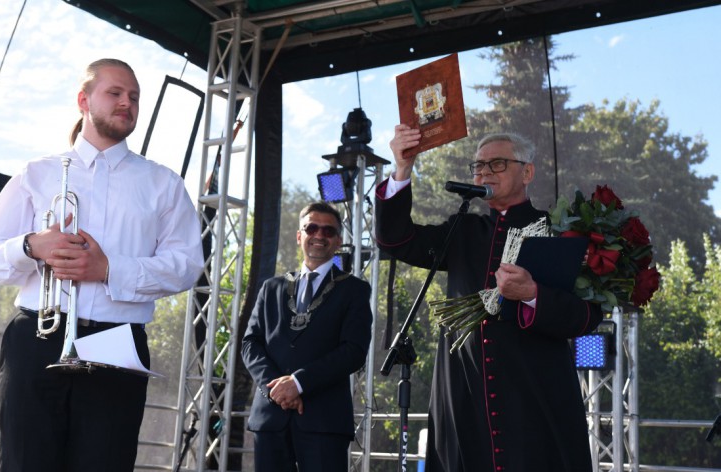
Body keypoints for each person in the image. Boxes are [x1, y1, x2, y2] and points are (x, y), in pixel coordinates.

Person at [0, 58, 203, 471]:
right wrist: (31, 246)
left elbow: (186, 265)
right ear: (84, 100)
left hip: (118, 344)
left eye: (134, 97)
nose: (127, 103)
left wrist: (108, 269)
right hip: (38, 337)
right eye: (114, 93)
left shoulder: (163, 183)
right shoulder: (36, 173)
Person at [375, 125, 602, 472]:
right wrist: (403, 168)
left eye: (496, 164)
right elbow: (395, 240)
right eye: (478, 166)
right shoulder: (463, 230)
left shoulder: (557, 230)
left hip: (534, 395)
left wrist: (533, 296)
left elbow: (587, 316)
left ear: (527, 172)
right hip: (464, 392)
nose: (483, 172)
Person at [241, 202, 373, 472]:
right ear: (299, 235)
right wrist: (277, 389)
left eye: (328, 230)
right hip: (270, 417)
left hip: (324, 421)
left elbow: (353, 351)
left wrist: (299, 383)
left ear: (338, 241)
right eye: (311, 227)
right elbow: (250, 344)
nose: (319, 235)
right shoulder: (271, 287)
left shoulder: (354, 290)